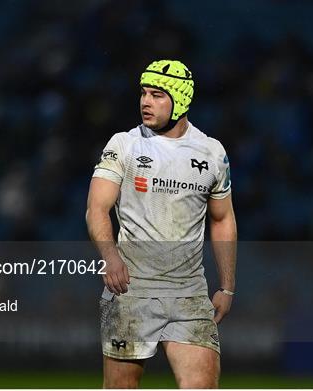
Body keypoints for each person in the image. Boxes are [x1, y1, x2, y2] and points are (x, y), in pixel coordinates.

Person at [86, 59, 237, 389]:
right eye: (143, 93)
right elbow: (97, 208)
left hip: (189, 294)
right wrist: (110, 257)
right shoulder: (124, 144)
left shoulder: (212, 153)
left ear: (180, 100)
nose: (145, 102)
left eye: (157, 95)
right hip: (132, 290)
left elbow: (223, 218)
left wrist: (226, 285)